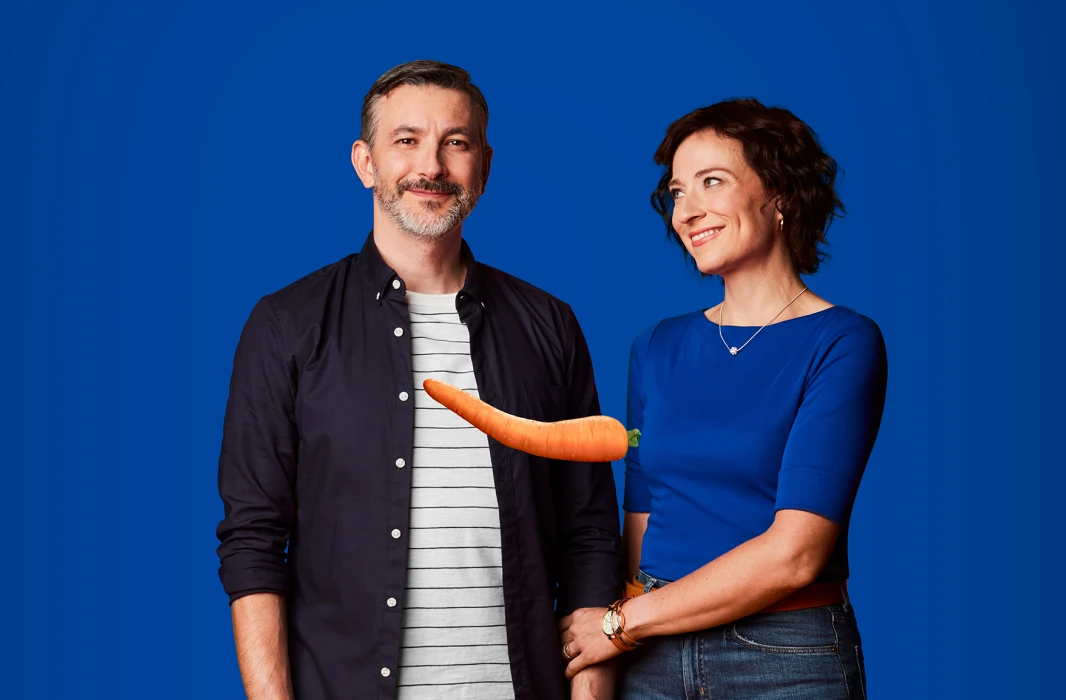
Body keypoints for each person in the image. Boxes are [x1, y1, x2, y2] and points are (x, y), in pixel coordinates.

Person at [215, 60, 621, 700]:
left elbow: (591, 532)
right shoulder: (286, 325)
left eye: (454, 142)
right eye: (406, 140)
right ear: (365, 162)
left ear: (483, 164)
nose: (430, 166)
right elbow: (253, 541)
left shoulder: (550, 325)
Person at [557, 98, 888, 699]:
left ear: (780, 195)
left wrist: (620, 625)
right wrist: (605, 662)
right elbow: (641, 526)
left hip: (783, 657)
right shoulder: (656, 346)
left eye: (712, 182)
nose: (688, 210)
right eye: (678, 192)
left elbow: (795, 555)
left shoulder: (841, 341)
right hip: (647, 653)